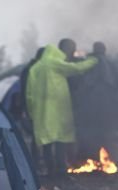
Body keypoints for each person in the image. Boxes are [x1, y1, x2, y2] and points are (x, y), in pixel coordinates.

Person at [25, 43, 97, 176]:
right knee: (60, 142)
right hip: (58, 111)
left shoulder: (35, 68)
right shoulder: (54, 63)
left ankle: (50, 170)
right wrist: (94, 60)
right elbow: (76, 68)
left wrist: (31, 112)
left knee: (46, 143)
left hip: (41, 113)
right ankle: (61, 170)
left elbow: (29, 93)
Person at [70, 41, 118, 162]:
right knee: (105, 132)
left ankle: (91, 158)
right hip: (107, 105)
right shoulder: (111, 64)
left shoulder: (89, 63)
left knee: (90, 131)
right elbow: (117, 84)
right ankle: (106, 159)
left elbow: (84, 83)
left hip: (91, 104)